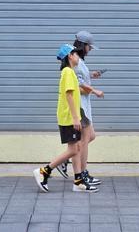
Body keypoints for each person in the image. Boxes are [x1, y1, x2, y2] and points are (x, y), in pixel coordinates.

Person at [32, 44, 98, 193]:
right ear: (70, 56)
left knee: (76, 148)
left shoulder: (70, 72)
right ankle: (44, 171)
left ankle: (78, 181)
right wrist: (76, 118)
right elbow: (69, 95)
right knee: (74, 149)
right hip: (69, 117)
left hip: (70, 116)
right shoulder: (68, 72)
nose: (78, 56)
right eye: (75, 54)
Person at [55, 31, 104, 186]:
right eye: (89, 47)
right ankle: (82, 174)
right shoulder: (73, 65)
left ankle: (67, 159)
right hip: (80, 107)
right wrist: (94, 90)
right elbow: (77, 87)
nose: (90, 50)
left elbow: (82, 79)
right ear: (84, 46)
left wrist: (91, 74)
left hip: (84, 106)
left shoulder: (79, 61)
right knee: (83, 141)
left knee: (90, 137)